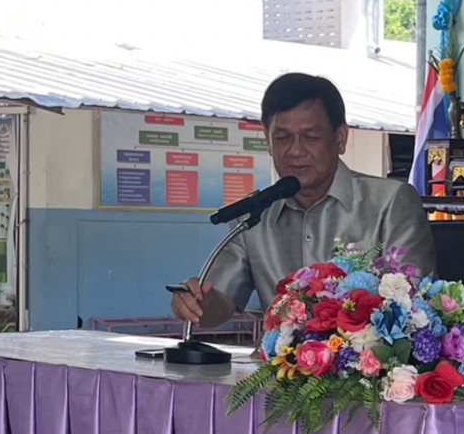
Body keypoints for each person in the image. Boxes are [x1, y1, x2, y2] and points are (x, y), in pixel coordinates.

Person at [171, 72, 433, 326]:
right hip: (278, 357)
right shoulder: (254, 216)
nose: (296, 151)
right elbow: (218, 306)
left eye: (311, 137)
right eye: (282, 138)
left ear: (340, 138)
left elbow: (416, 304)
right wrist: (196, 303)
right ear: (268, 140)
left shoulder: (390, 202)